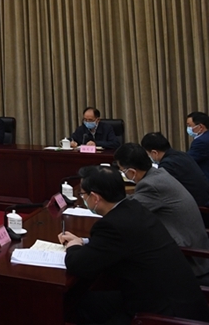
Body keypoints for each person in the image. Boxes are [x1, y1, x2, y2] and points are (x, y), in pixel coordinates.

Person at [59, 165, 209, 324]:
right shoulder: (133, 208)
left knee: (76, 305)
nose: (82, 198)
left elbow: (78, 265)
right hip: (179, 300)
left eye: (83, 194)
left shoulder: (113, 225)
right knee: (85, 301)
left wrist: (73, 245)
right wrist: (83, 241)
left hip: (162, 315)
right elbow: (118, 243)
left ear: (95, 198)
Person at [114, 143, 209, 282]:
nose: (123, 174)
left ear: (132, 171)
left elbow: (128, 212)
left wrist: (106, 202)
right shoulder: (158, 174)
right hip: (195, 246)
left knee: (128, 258)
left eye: (123, 170)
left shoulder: (150, 185)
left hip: (189, 258)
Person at [140, 132, 209, 209]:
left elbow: (162, 191)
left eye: (148, 154)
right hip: (204, 198)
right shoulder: (181, 154)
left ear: (154, 152)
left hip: (197, 206)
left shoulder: (167, 165)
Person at [186, 111, 209, 180]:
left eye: (190, 126)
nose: (188, 128)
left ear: (200, 127)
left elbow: (188, 161)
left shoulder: (201, 142)